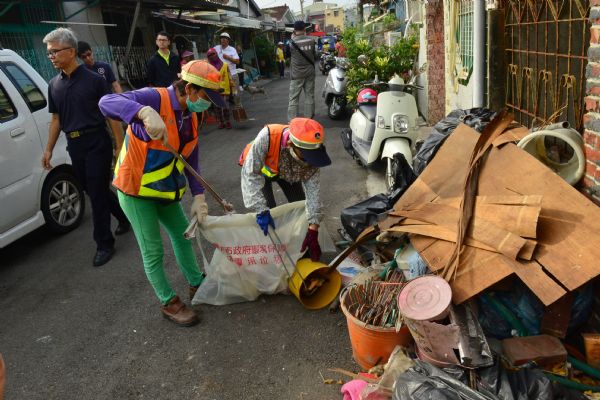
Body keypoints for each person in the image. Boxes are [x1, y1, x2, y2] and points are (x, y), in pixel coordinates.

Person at [99, 60, 227, 327]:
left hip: (164, 191)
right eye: (205, 97)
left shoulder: (191, 115)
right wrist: (142, 112)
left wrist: (199, 195)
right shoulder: (153, 98)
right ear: (190, 88)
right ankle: (168, 301)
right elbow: (106, 101)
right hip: (135, 191)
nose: (208, 104)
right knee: (153, 250)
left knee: (183, 237)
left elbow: (192, 156)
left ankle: (196, 284)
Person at [42, 28, 130, 267]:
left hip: (96, 142)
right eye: (49, 53)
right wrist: (48, 149)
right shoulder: (54, 85)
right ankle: (124, 217)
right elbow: (56, 120)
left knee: (96, 189)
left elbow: (112, 116)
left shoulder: (95, 81)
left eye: (54, 52)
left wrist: (120, 145)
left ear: (71, 52)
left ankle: (104, 243)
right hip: (74, 144)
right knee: (93, 188)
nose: (51, 56)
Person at [239, 118, 331, 262]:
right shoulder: (268, 137)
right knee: (269, 213)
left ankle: (300, 246)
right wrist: (260, 210)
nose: (310, 161)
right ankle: (274, 252)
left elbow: (313, 194)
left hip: (289, 172)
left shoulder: (312, 156)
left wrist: (313, 229)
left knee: (300, 206)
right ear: (290, 145)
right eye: (306, 156)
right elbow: (250, 175)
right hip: (261, 171)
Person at [288, 21, 316, 121]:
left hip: (296, 74)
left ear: (294, 30)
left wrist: (293, 37)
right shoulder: (311, 41)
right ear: (305, 29)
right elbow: (314, 55)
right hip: (309, 72)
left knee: (294, 98)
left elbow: (288, 55)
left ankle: (292, 121)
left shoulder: (291, 43)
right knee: (309, 96)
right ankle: (309, 120)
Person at [207, 47, 232, 129]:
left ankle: (227, 121)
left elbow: (229, 75)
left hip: (225, 88)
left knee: (225, 106)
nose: (212, 56)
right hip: (214, 89)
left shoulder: (224, 65)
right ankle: (221, 122)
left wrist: (232, 84)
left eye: (213, 54)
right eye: (209, 55)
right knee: (217, 107)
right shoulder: (208, 68)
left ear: (216, 54)